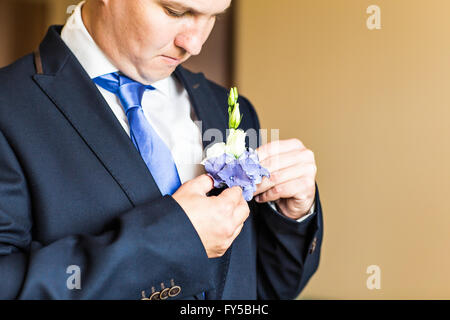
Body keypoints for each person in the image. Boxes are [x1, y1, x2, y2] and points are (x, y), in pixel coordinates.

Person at [0, 0, 323, 300]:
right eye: (175, 11)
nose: (194, 44)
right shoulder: (9, 106)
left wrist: (291, 217)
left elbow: (260, 291)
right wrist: (173, 241)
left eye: (213, 16)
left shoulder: (228, 109)